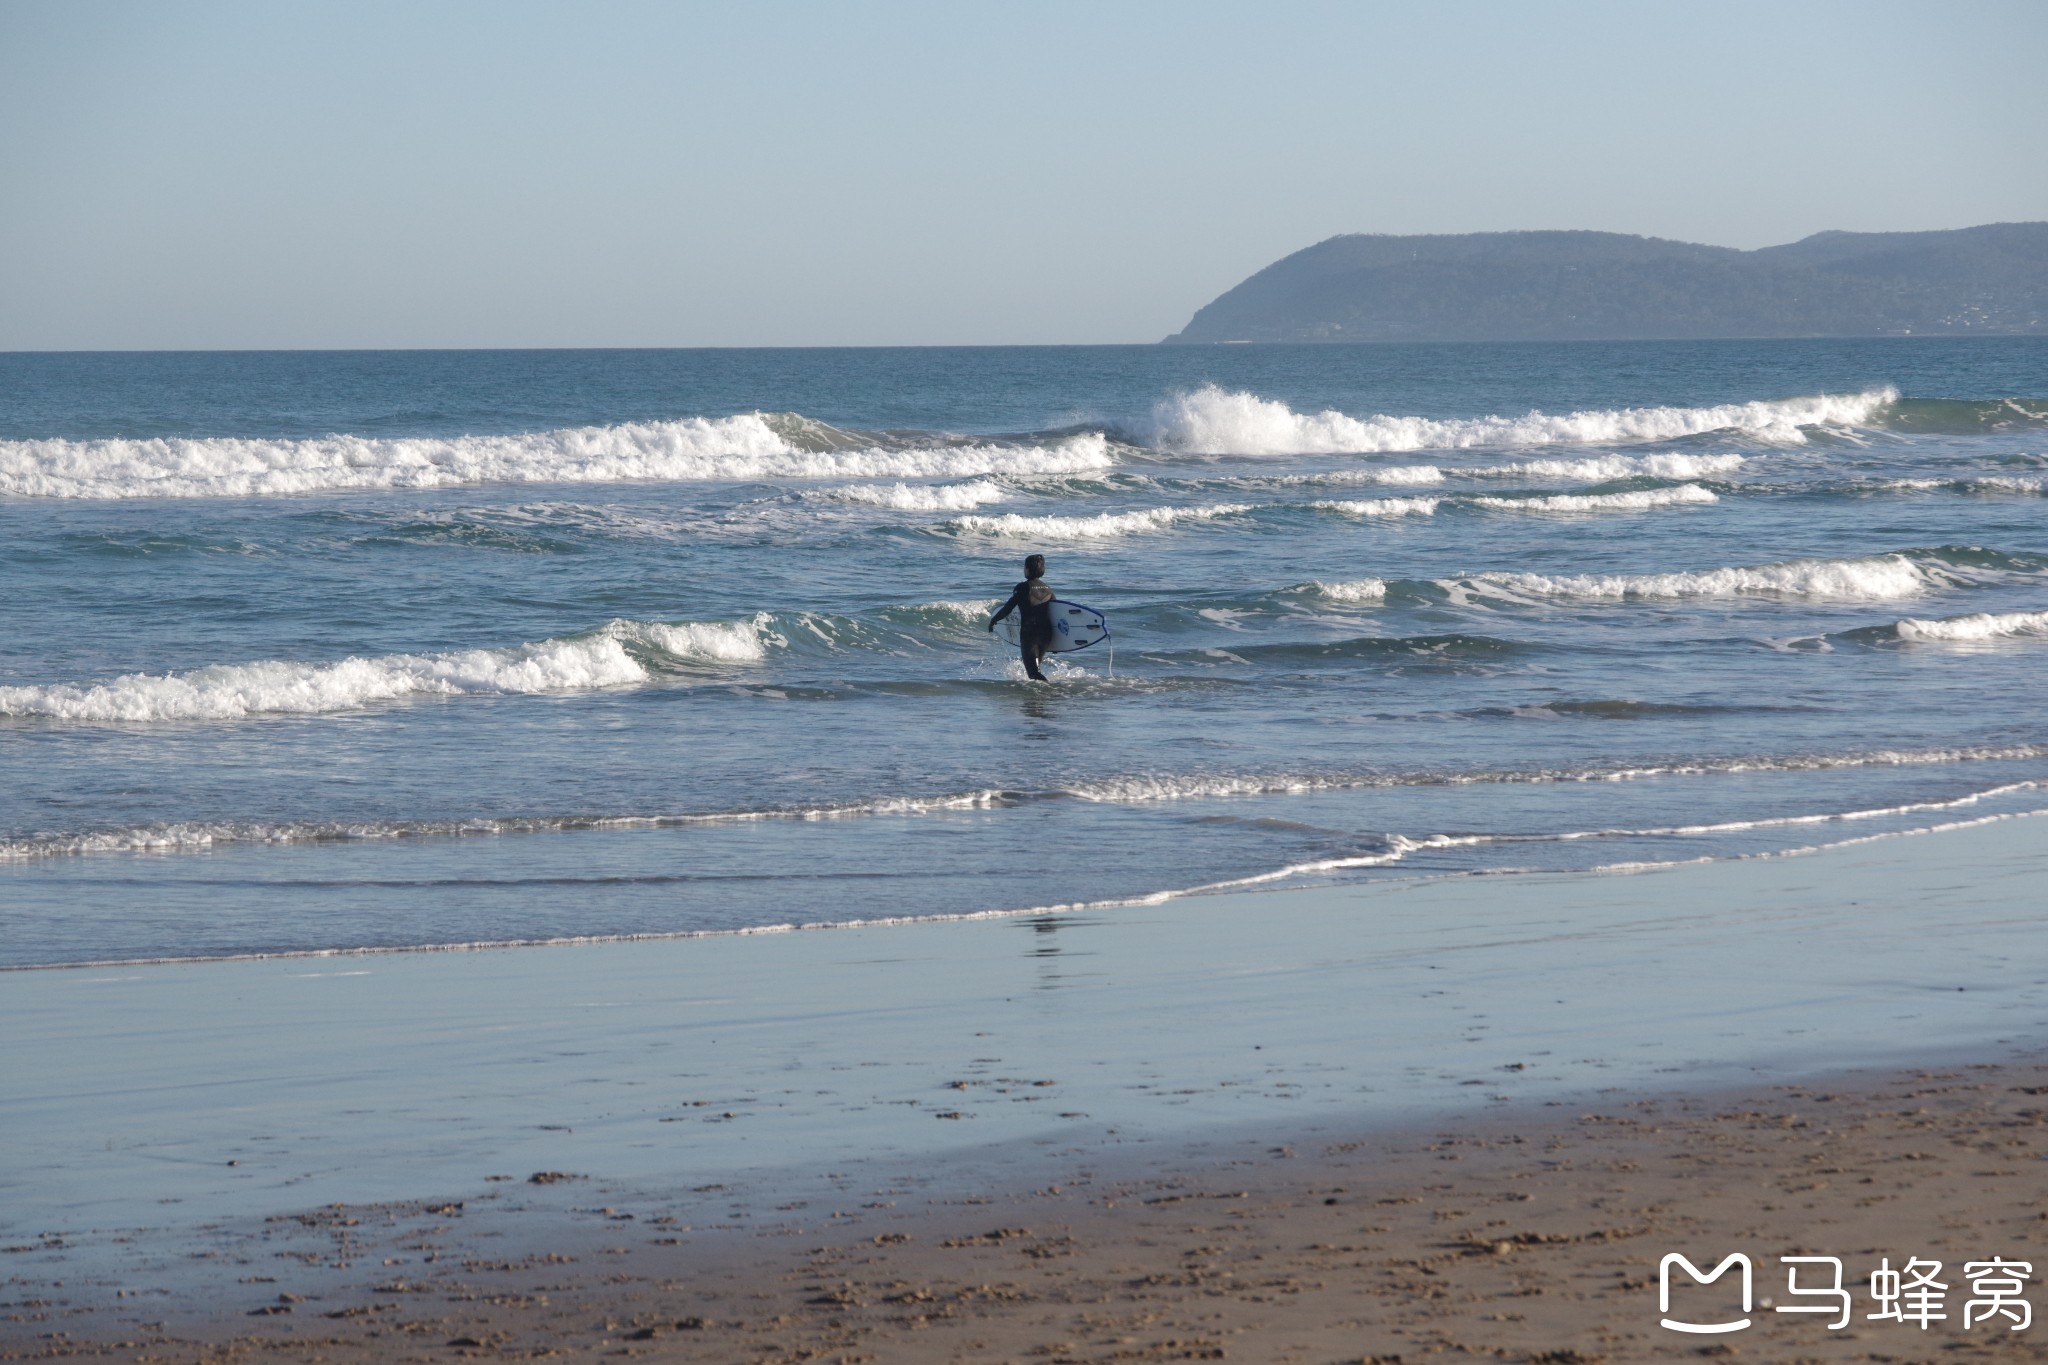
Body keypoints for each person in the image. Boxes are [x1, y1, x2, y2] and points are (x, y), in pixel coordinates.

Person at [988, 552, 1056, 681]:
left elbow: (1008, 607)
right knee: (1036, 669)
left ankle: (1049, 692)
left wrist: (994, 620)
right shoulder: (1048, 589)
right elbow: (1056, 612)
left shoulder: (1023, 587)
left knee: (1033, 673)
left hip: (1030, 633)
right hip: (1046, 633)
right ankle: (1038, 699)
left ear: (1028, 569)